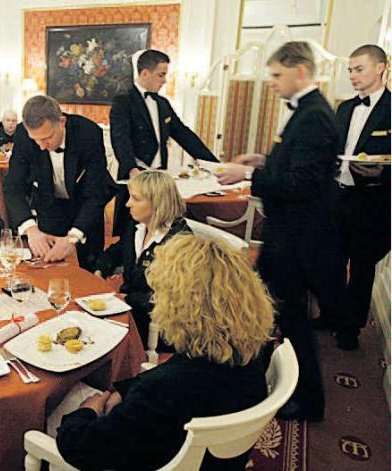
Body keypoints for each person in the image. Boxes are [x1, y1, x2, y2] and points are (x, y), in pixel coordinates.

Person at [217, 41, 355, 420]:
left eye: (278, 75)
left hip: (296, 240)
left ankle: (308, 401)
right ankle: (253, 381)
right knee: (264, 311)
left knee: (289, 319)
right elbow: (296, 164)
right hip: (286, 236)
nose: (273, 82)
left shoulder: (314, 117)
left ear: (300, 71)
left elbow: (301, 184)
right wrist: (263, 160)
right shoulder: (307, 112)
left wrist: (248, 174)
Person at [54, 234, 274, 471]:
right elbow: (176, 375)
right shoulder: (249, 350)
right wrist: (125, 390)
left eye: (159, 294)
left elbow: (80, 447)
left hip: (165, 459)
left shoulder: (159, 392)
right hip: (218, 456)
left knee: (59, 408)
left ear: (179, 308)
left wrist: (86, 411)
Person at [314, 45, 390, 340]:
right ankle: (329, 314)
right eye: (350, 70)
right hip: (337, 195)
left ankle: (350, 328)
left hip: (371, 201)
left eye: (359, 69)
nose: (352, 75)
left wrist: (382, 173)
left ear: (380, 67)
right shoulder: (344, 108)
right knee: (330, 261)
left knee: (361, 268)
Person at [109, 49, 218, 235]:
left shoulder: (162, 103)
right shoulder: (123, 101)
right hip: (137, 175)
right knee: (130, 231)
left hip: (160, 177)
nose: (164, 80)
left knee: (159, 228)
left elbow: (184, 134)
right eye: (161, 75)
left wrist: (213, 163)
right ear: (145, 73)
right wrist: (131, 169)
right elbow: (120, 138)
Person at [4, 95, 117, 270]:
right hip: (49, 206)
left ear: (62, 122)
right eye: (36, 140)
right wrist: (31, 228)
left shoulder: (88, 133)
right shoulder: (23, 135)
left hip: (85, 207)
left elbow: (96, 192)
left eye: (47, 137)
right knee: (49, 268)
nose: (41, 146)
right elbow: (13, 188)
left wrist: (74, 237)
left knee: (88, 269)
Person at [94, 169, 190, 346]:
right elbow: (116, 251)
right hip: (128, 307)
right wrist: (100, 270)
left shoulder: (180, 243)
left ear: (158, 202)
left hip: (156, 324)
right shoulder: (138, 226)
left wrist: (126, 299)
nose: (127, 204)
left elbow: (171, 300)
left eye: (136, 199)